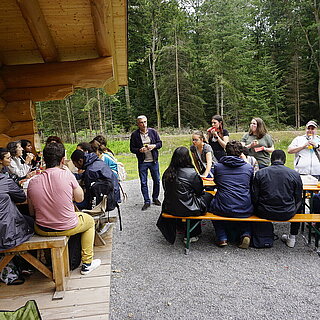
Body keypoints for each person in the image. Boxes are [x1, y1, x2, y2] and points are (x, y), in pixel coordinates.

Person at [27, 143, 101, 275]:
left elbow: (32, 212)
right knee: (89, 221)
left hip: (42, 229)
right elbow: (80, 198)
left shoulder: (32, 182)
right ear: (62, 160)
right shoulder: (67, 175)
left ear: (44, 160)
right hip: (67, 226)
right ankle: (87, 263)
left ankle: (50, 263)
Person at [157, 147, 213, 244]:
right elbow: (199, 191)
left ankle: (181, 226)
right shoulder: (191, 172)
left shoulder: (167, 172)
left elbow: (166, 190)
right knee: (209, 196)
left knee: (181, 200)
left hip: (169, 207)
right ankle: (193, 233)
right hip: (189, 208)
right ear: (188, 158)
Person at [252, 150, 303, 248]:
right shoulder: (294, 174)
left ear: (271, 159)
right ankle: (292, 237)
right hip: (287, 213)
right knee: (301, 204)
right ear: (284, 160)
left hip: (263, 212)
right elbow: (298, 198)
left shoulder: (260, 173)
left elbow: (255, 196)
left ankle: (256, 234)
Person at [209, 140, 254, 248]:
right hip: (244, 207)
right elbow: (251, 184)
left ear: (226, 151)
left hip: (223, 206)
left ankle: (221, 237)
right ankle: (245, 233)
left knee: (211, 206)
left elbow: (217, 182)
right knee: (246, 207)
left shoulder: (218, 167)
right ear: (241, 153)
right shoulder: (248, 168)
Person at [130, 115, 162, 211]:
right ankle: (146, 201)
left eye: (145, 122)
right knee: (144, 182)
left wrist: (153, 146)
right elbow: (132, 149)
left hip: (154, 161)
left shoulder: (153, 132)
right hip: (143, 161)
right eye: (141, 122)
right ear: (138, 124)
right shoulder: (135, 135)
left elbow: (160, 143)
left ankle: (155, 198)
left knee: (156, 180)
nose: (144, 124)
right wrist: (140, 150)